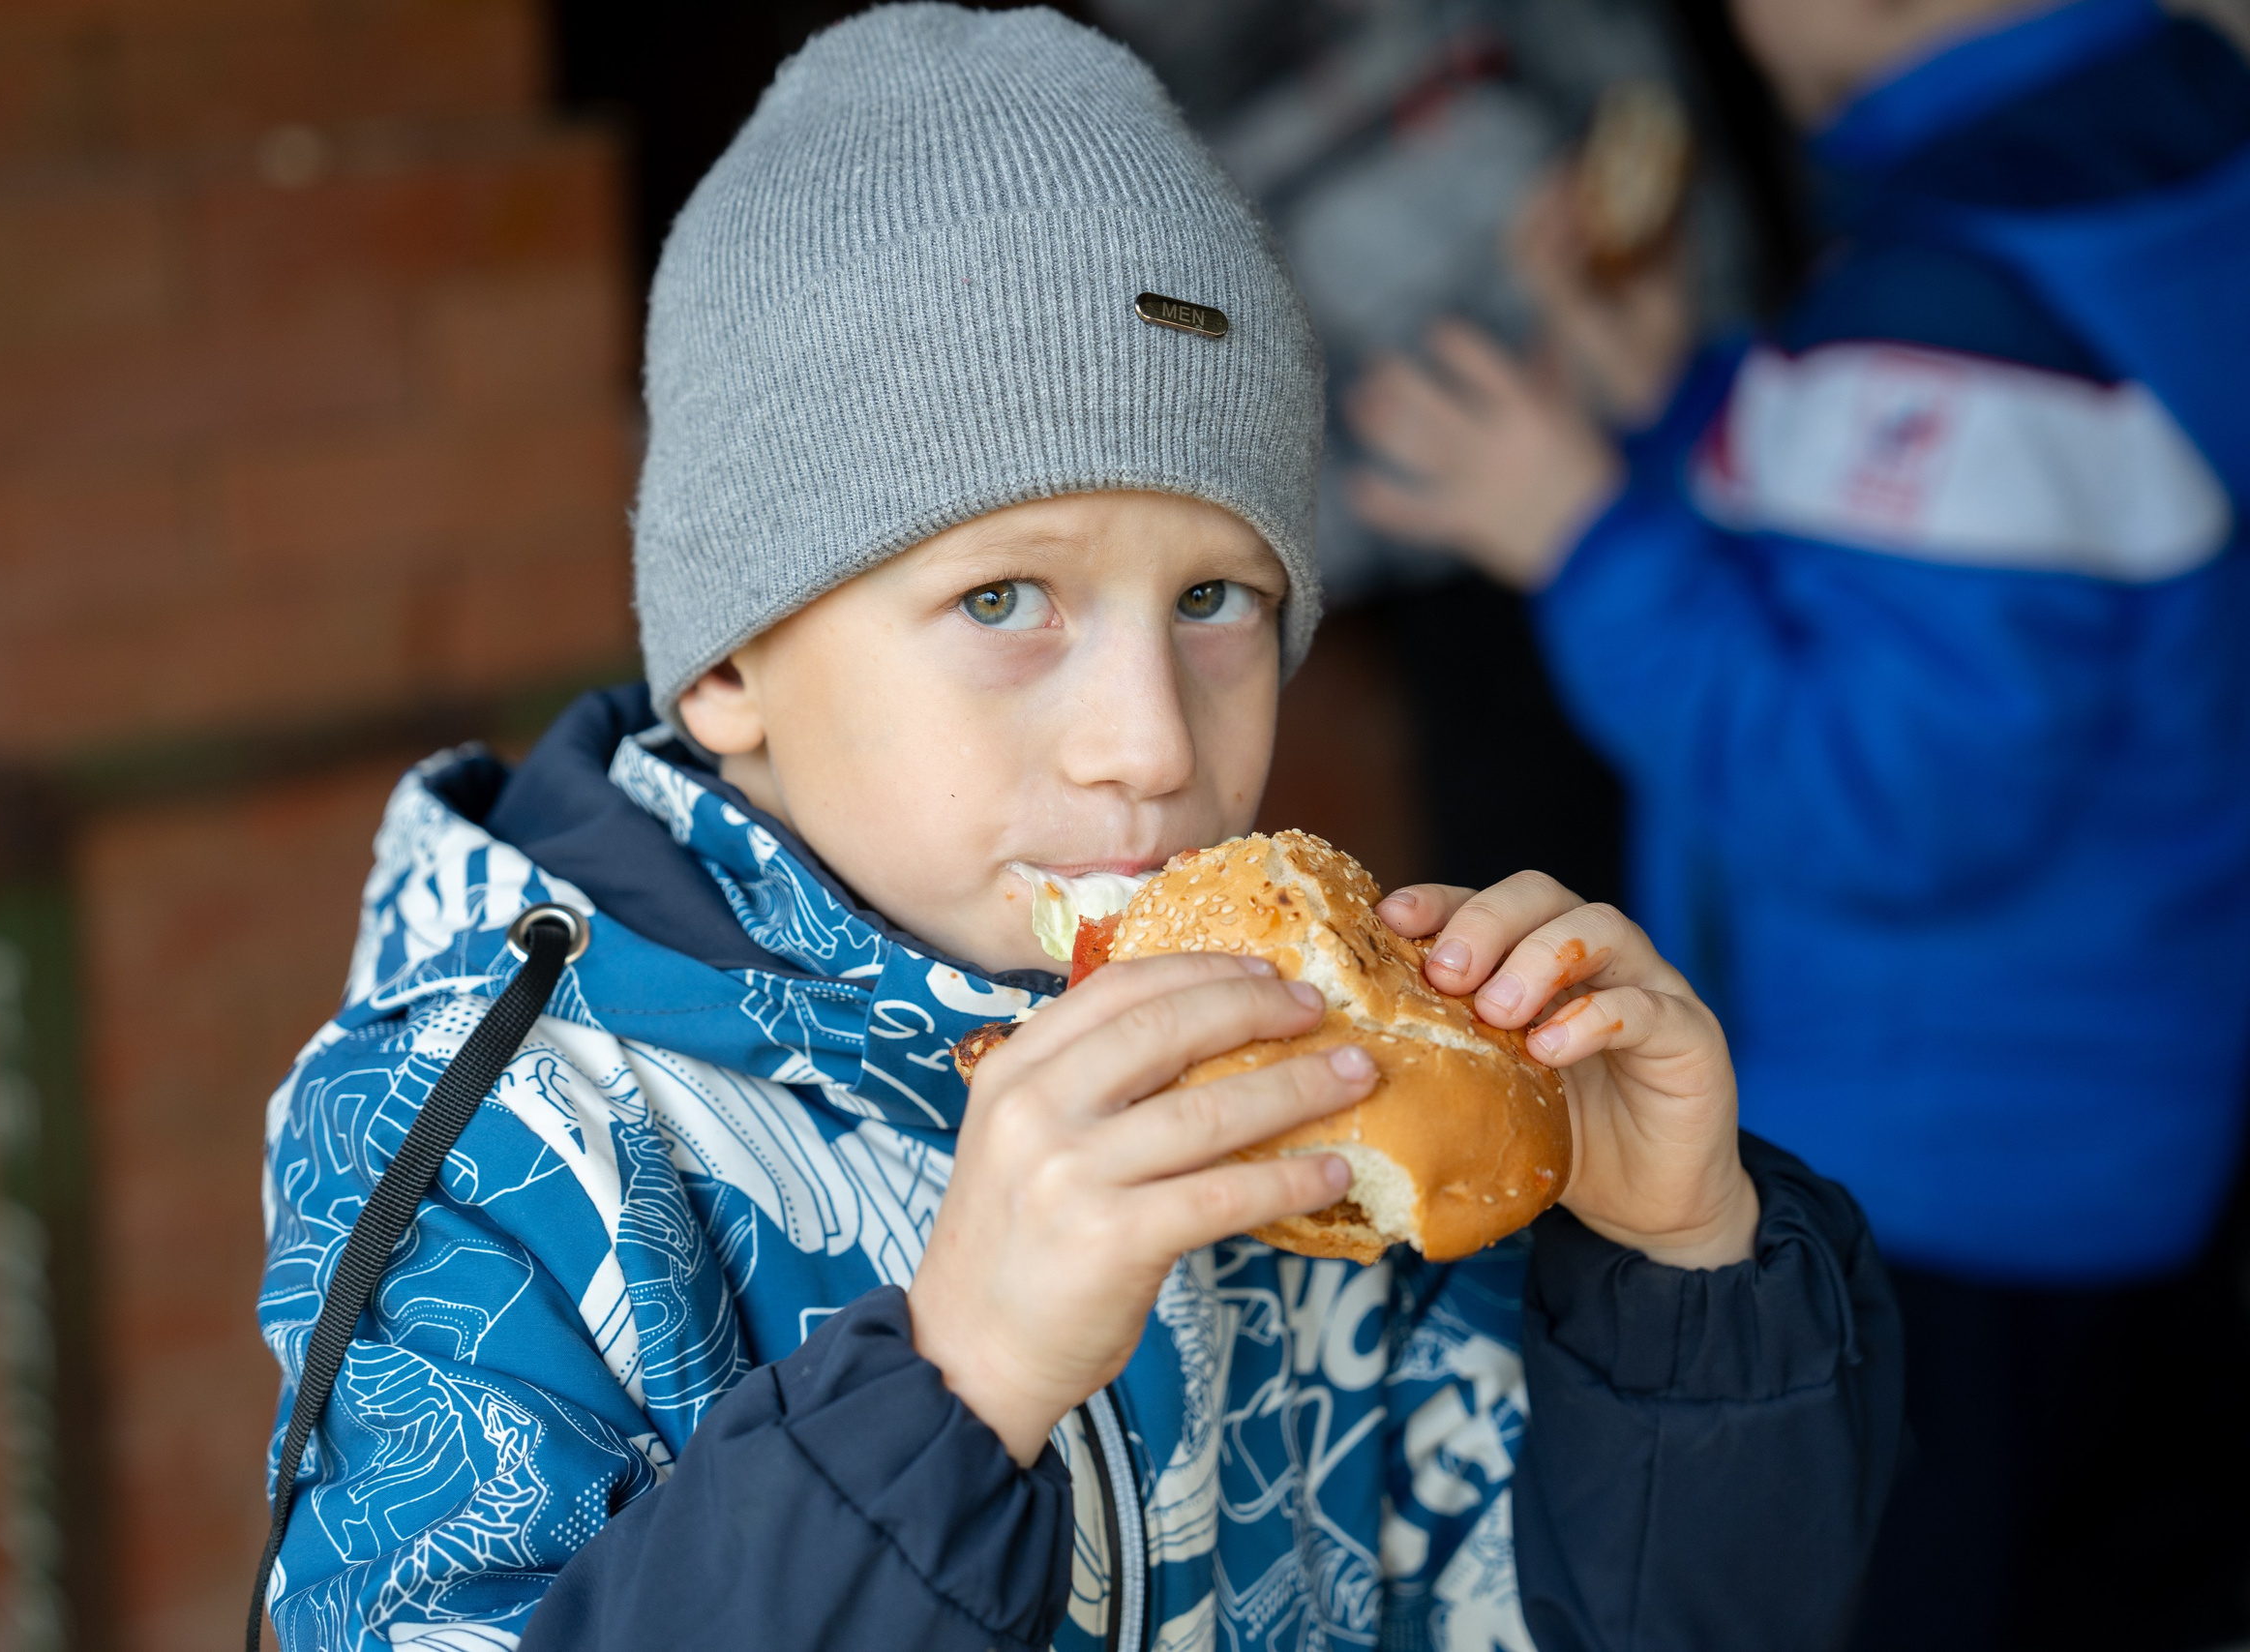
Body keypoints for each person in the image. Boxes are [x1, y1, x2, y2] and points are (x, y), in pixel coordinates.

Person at [254, 9, 1903, 1650]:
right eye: (1002, 598)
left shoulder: (1337, 1084)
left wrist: (1685, 1284)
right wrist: (953, 1393)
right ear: (735, 662)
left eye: (1213, 598)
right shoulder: (487, 1142)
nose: (1149, 742)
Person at [1341, 0, 2250, 1645]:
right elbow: (1907, 581)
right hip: (2127, 1109)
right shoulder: (2151, 182)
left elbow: (1890, 795)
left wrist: (1583, 531)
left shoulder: (1952, 303)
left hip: (1946, 1171)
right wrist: (1681, 401)